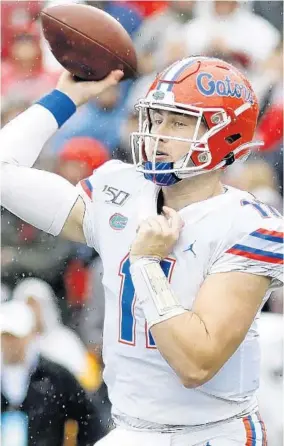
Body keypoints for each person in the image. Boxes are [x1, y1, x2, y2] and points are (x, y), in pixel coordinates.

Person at [1, 56, 283, 445]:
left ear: (226, 133)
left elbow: (195, 363)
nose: (158, 134)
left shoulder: (249, 225)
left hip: (212, 434)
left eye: (179, 122)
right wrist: (65, 97)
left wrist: (146, 262)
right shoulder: (121, 190)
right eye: (156, 118)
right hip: (132, 430)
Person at [1, 301, 103, 446]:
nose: (10, 344)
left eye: (15, 337)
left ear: (29, 335)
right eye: (6, 337)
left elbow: (90, 418)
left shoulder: (55, 376)